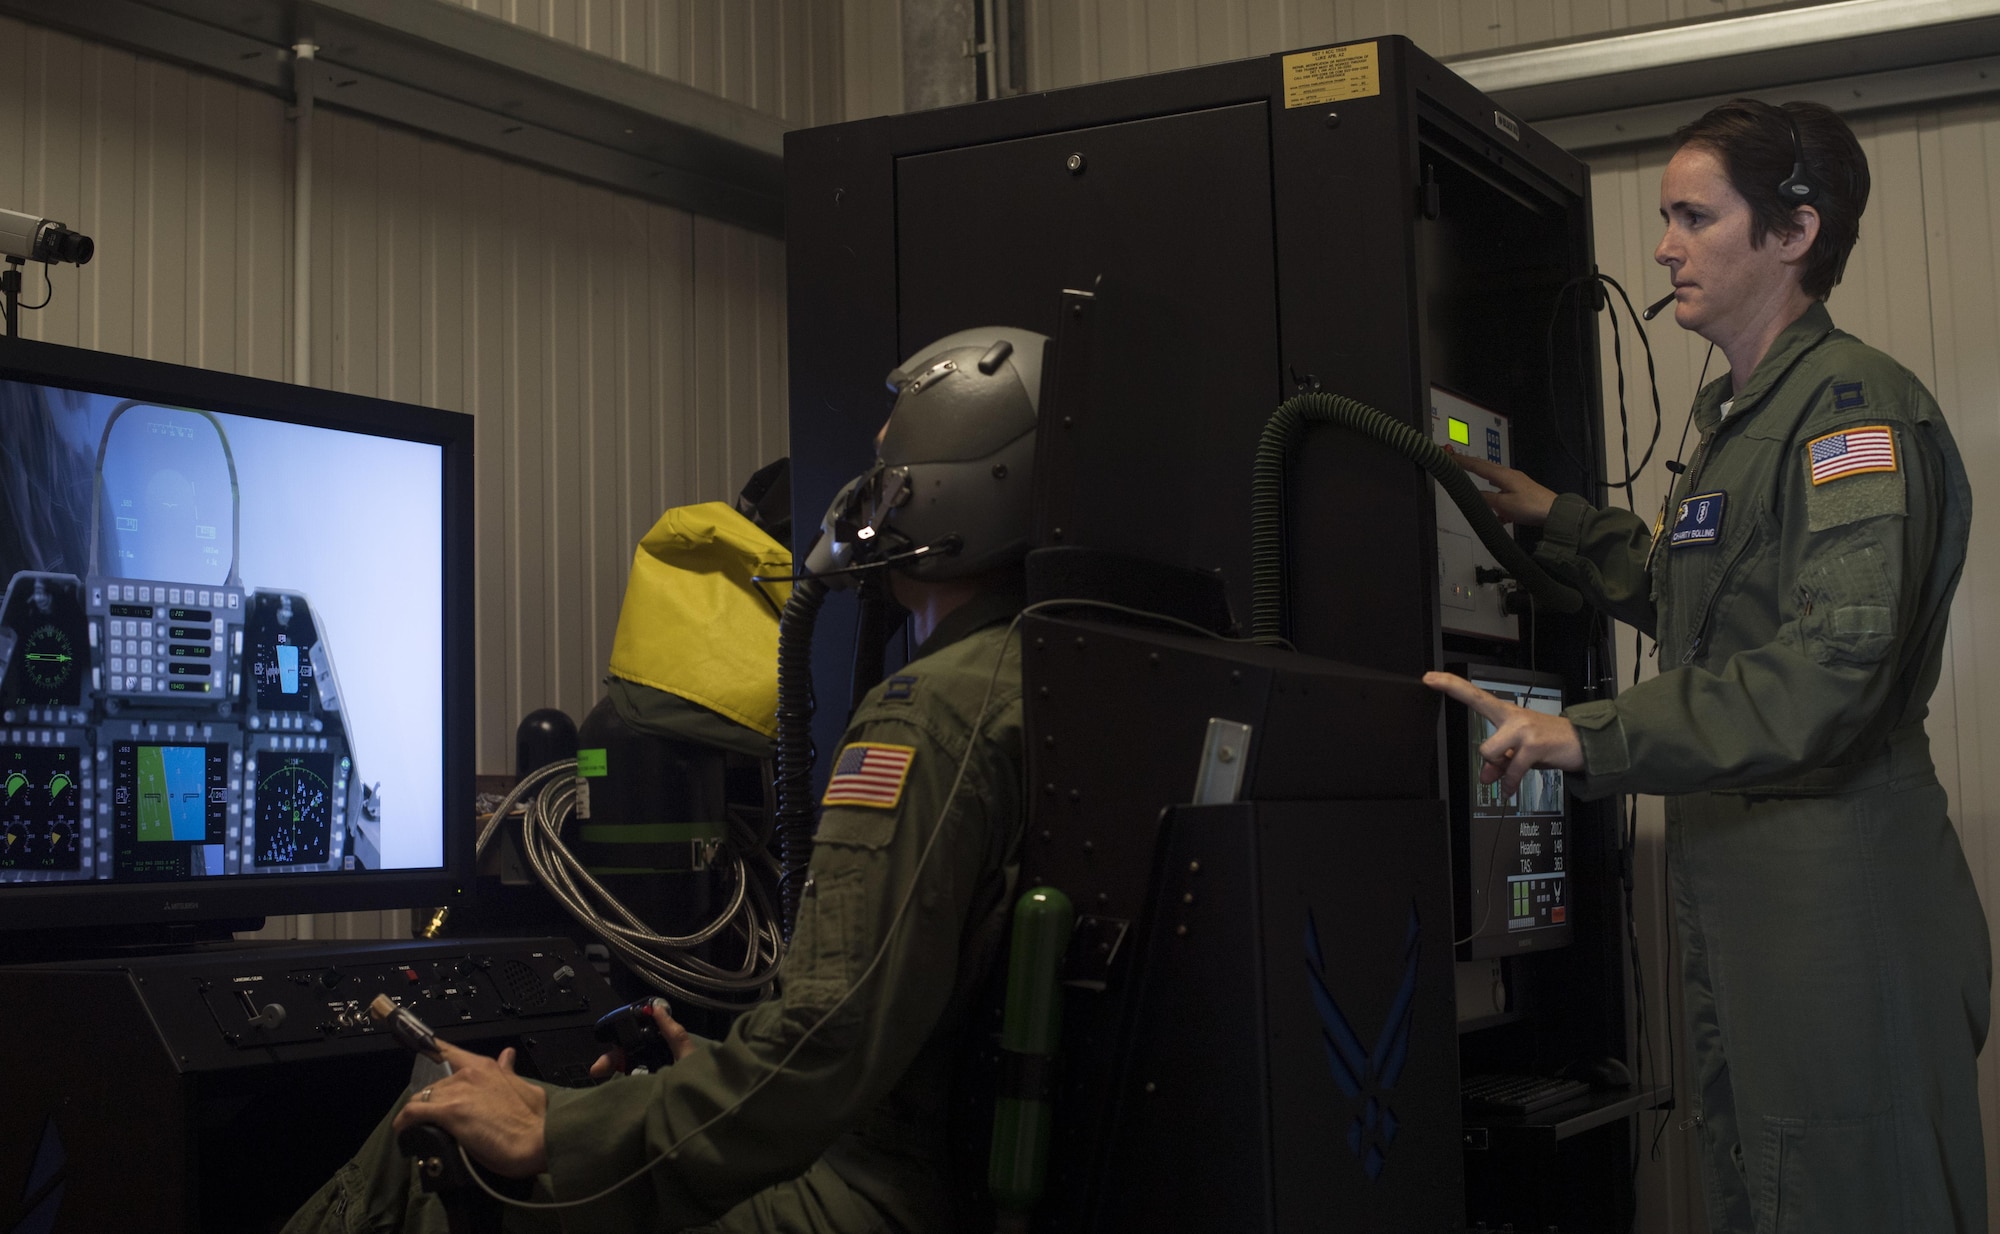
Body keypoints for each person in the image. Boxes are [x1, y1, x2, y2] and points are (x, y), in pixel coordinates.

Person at [281, 325, 1048, 1234]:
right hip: (927, 1173)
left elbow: (821, 1048)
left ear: (950, 492)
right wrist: (695, 1086)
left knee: (423, 1151)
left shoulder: (928, 717)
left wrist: (561, 1127)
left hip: (865, 1192)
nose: (862, 502)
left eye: (887, 475)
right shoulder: (1061, 682)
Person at [1425, 99, 1989, 1232]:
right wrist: (1563, 522)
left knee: (1840, 1189)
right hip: (1746, 889)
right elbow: (1713, 592)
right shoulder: (1740, 416)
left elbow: (1831, 668)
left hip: (1831, 899)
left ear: (1791, 232)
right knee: (1757, 1180)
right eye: (1665, 217)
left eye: (1694, 216)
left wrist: (1594, 733)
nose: (1662, 246)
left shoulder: (1849, 413)